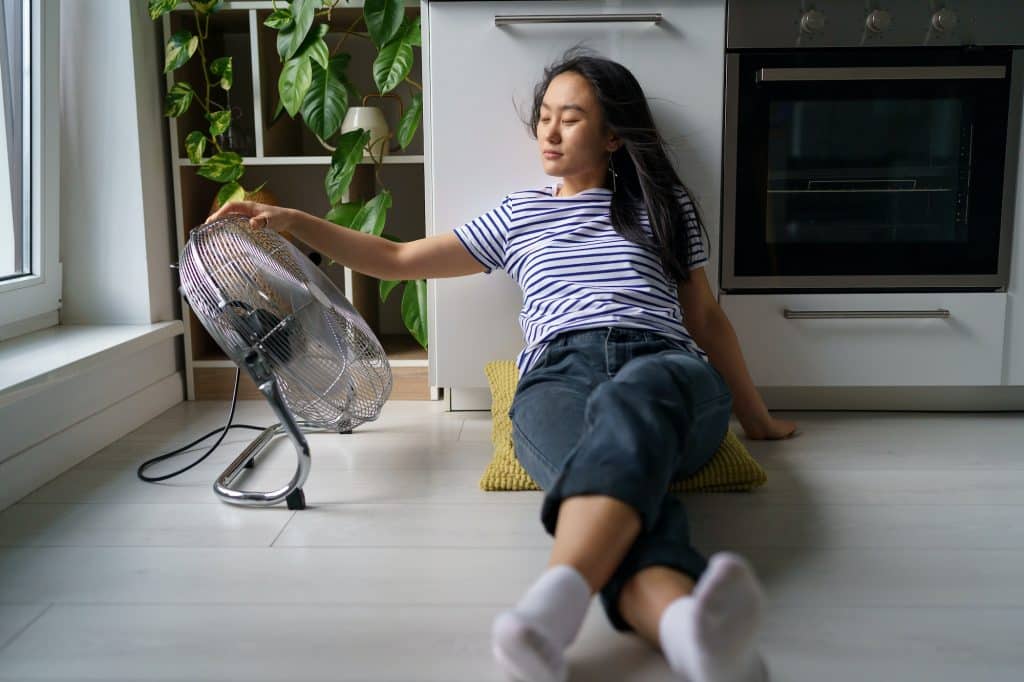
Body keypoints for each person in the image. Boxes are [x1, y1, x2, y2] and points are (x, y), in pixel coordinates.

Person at [207, 47, 797, 682]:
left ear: (614, 135)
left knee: (632, 406)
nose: (548, 130)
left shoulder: (665, 206)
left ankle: (549, 611)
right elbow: (401, 258)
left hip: (661, 363)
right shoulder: (520, 213)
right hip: (557, 371)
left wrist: (755, 419)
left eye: (570, 118)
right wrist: (292, 221)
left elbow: (705, 318)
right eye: (544, 115)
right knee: (606, 465)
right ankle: (684, 630)